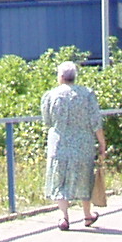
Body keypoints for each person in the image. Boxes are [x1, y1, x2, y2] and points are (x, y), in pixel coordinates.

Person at [39, 60, 106, 230]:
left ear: (60, 77)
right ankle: (87, 215)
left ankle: (64, 217)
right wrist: (102, 143)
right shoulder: (87, 94)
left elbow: (47, 121)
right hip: (83, 144)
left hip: (59, 144)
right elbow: (96, 122)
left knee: (59, 179)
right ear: (74, 76)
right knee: (85, 178)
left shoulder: (50, 96)